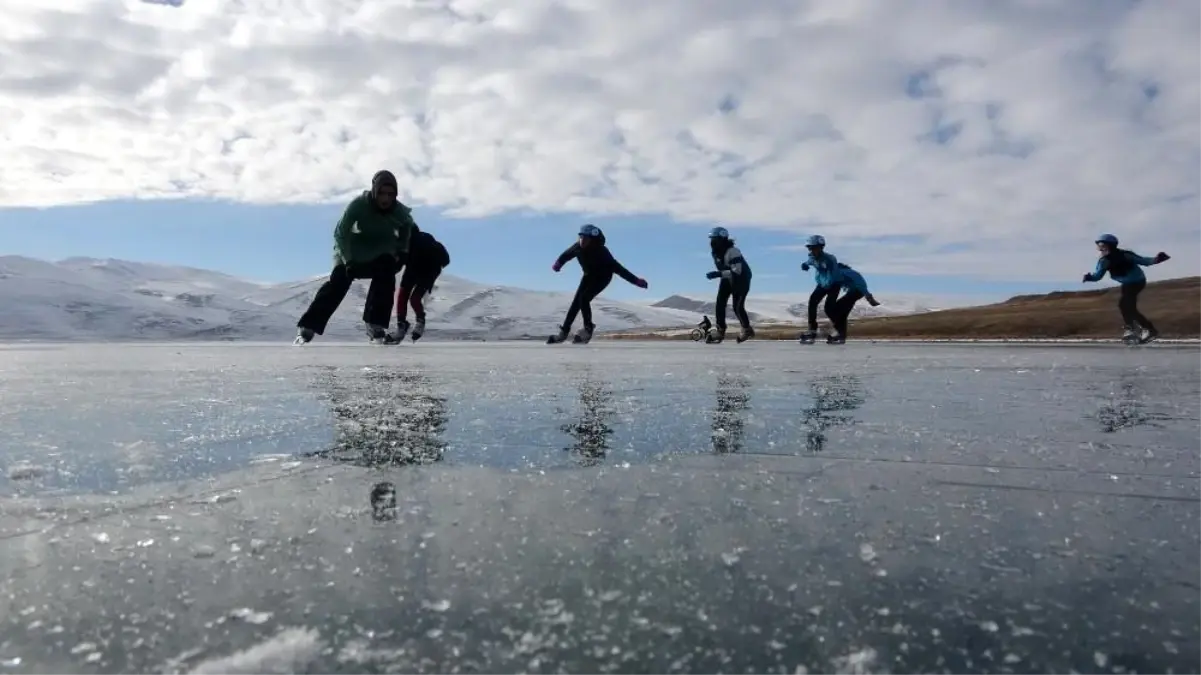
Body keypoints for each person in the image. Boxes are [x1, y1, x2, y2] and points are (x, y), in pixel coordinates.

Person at [295, 170, 417, 345]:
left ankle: (375, 324)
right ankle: (308, 327)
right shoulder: (358, 205)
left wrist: (403, 252)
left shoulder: (400, 212)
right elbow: (340, 234)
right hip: (352, 250)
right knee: (339, 281)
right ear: (374, 191)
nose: (386, 199)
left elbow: (407, 230)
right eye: (382, 193)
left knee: (386, 272)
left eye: (390, 194)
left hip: (379, 251)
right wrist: (348, 260)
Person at [548, 224, 648, 344]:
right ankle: (563, 333)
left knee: (584, 299)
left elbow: (618, 269)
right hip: (588, 276)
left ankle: (588, 330)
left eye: (586, 239)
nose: (582, 241)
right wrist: (558, 263)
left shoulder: (602, 252)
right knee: (576, 303)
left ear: (593, 241)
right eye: (581, 237)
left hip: (603, 278)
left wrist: (636, 281)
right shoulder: (577, 247)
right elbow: (566, 255)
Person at [1082, 233, 1170, 343]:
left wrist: (1157, 259)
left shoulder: (1125, 255)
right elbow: (1098, 276)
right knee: (1127, 307)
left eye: (1101, 244)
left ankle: (1136, 329)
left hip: (1137, 281)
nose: (1099, 247)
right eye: (1098, 245)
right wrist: (1090, 277)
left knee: (1125, 306)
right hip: (1126, 284)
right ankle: (1142, 329)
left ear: (1110, 245)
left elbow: (1144, 261)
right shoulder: (1104, 261)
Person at [391, 226, 450, 342]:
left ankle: (402, 326)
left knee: (404, 296)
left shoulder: (407, 241)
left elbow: (400, 260)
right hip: (429, 271)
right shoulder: (425, 237)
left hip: (419, 269)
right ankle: (418, 322)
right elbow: (445, 260)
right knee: (414, 299)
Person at [704, 227, 754, 343]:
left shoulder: (733, 251)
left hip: (741, 279)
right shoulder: (716, 253)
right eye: (711, 239)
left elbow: (737, 271)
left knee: (738, 306)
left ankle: (746, 329)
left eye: (715, 239)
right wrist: (720, 274)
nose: (712, 242)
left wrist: (718, 274)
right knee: (720, 303)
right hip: (727, 277)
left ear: (722, 239)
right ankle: (720, 330)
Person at [799, 235, 844, 342]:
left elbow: (832, 273)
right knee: (812, 301)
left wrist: (827, 284)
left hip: (834, 284)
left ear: (821, 247)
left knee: (828, 308)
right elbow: (808, 262)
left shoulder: (830, 259)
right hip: (822, 284)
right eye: (810, 248)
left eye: (815, 248)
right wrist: (804, 265)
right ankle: (812, 330)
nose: (812, 250)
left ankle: (840, 332)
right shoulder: (812, 258)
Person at [825, 263, 881, 344]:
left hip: (857, 291)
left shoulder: (841, 272)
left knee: (836, 308)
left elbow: (860, 284)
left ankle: (839, 334)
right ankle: (841, 336)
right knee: (843, 314)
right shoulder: (847, 271)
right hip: (855, 292)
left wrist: (868, 296)